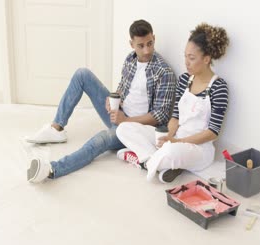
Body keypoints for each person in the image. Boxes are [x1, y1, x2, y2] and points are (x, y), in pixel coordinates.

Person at [26, 19, 176, 183]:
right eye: (141, 45)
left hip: (135, 128)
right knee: (82, 74)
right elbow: (123, 86)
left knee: (99, 140)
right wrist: (114, 98)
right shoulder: (131, 59)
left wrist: (125, 120)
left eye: (150, 43)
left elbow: (160, 116)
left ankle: (52, 169)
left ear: (154, 38)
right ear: (131, 44)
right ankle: (57, 128)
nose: (147, 50)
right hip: (119, 115)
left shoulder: (164, 72)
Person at [116, 23, 229, 183]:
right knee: (124, 128)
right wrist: (167, 136)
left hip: (199, 149)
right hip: (176, 138)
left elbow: (212, 132)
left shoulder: (219, 87)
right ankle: (155, 162)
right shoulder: (184, 80)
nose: (186, 62)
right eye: (185, 56)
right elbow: (175, 117)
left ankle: (144, 160)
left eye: (191, 58)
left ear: (206, 59)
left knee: (170, 151)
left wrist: (176, 142)